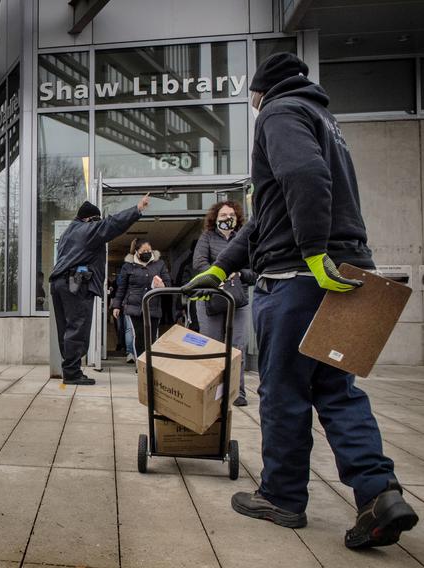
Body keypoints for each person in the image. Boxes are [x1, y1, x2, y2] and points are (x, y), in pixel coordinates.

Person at [184, 53, 418, 547]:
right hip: (349, 275)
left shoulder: (280, 112)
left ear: (260, 91)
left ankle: (282, 497)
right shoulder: (326, 120)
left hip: (298, 279)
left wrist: (312, 253)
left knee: (285, 393)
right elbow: (266, 215)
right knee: (338, 391)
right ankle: (380, 494)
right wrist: (220, 266)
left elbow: (305, 177)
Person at [50, 196, 149, 385]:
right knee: (78, 326)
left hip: (60, 283)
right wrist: (136, 209)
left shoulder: (68, 233)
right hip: (76, 284)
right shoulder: (87, 229)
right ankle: (72, 373)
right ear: (89, 219)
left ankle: (70, 369)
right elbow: (112, 225)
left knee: (67, 328)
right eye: (96, 220)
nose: (98, 224)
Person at [192, 201, 256, 407]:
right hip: (211, 298)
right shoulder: (207, 238)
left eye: (231, 215)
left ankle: (238, 392)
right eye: (222, 215)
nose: (226, 218)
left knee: (237, 347)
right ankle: (211, 392)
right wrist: (217, 274)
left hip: (238, 300)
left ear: (237, 219)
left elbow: (255, 270)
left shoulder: (245, 239)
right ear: (215, 218)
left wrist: (239, 274)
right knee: (212, 346)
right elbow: (199, 262)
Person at [111, 238, 171, 359]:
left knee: (152, 336)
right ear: (137, 252)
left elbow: (168, 284)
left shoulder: (159, 264)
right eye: (144, 251)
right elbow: (122, 287)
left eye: (149, 250)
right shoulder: (128, 266)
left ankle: (151, 363)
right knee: (138, 336)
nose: (147, 253)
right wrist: (116, 306)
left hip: (153, 306)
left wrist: (162, 285)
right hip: (134, 306)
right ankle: (141, 364)